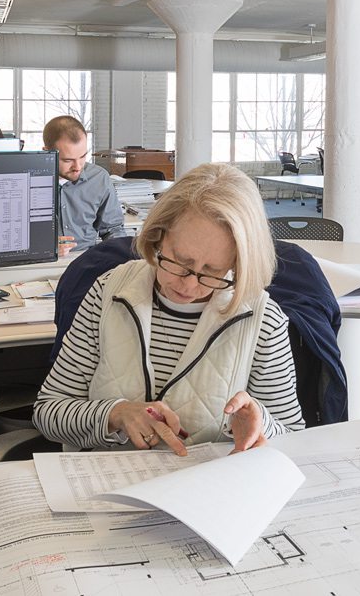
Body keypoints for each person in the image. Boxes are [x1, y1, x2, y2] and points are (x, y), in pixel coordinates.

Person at [33, 163, 304, 454]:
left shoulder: (263, 319)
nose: (188, 286)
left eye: (212, 271)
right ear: (158, 235)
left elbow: (293, 437)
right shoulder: (109, 290)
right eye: (180, 261)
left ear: (237, 264)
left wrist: (261, 424)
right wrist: (115, 414)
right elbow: (49, 411)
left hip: (206, 491)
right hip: (105, 488)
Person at [45, 115, 127, 257]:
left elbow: (113, 229)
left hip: (86, 259)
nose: (77, 167)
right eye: (68, 160)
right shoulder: (26, 180)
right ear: (47, 152)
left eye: (83, 156)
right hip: (41, 262)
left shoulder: (99, 178)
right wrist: (43, 247)